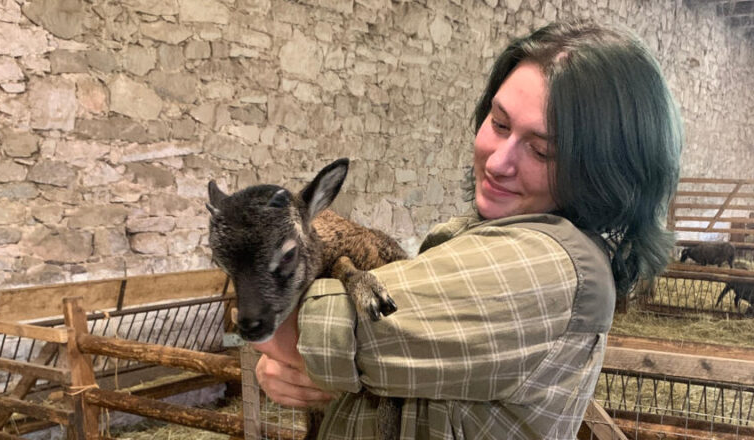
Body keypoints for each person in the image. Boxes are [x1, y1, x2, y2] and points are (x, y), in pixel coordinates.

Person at [252, 19, 682, 439]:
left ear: (604, 173)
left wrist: (284, 342)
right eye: (499, 123)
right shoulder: (478, 237)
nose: (498, 162)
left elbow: (299, 332)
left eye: (541, 150)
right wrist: (319, 381)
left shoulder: (550, 265)